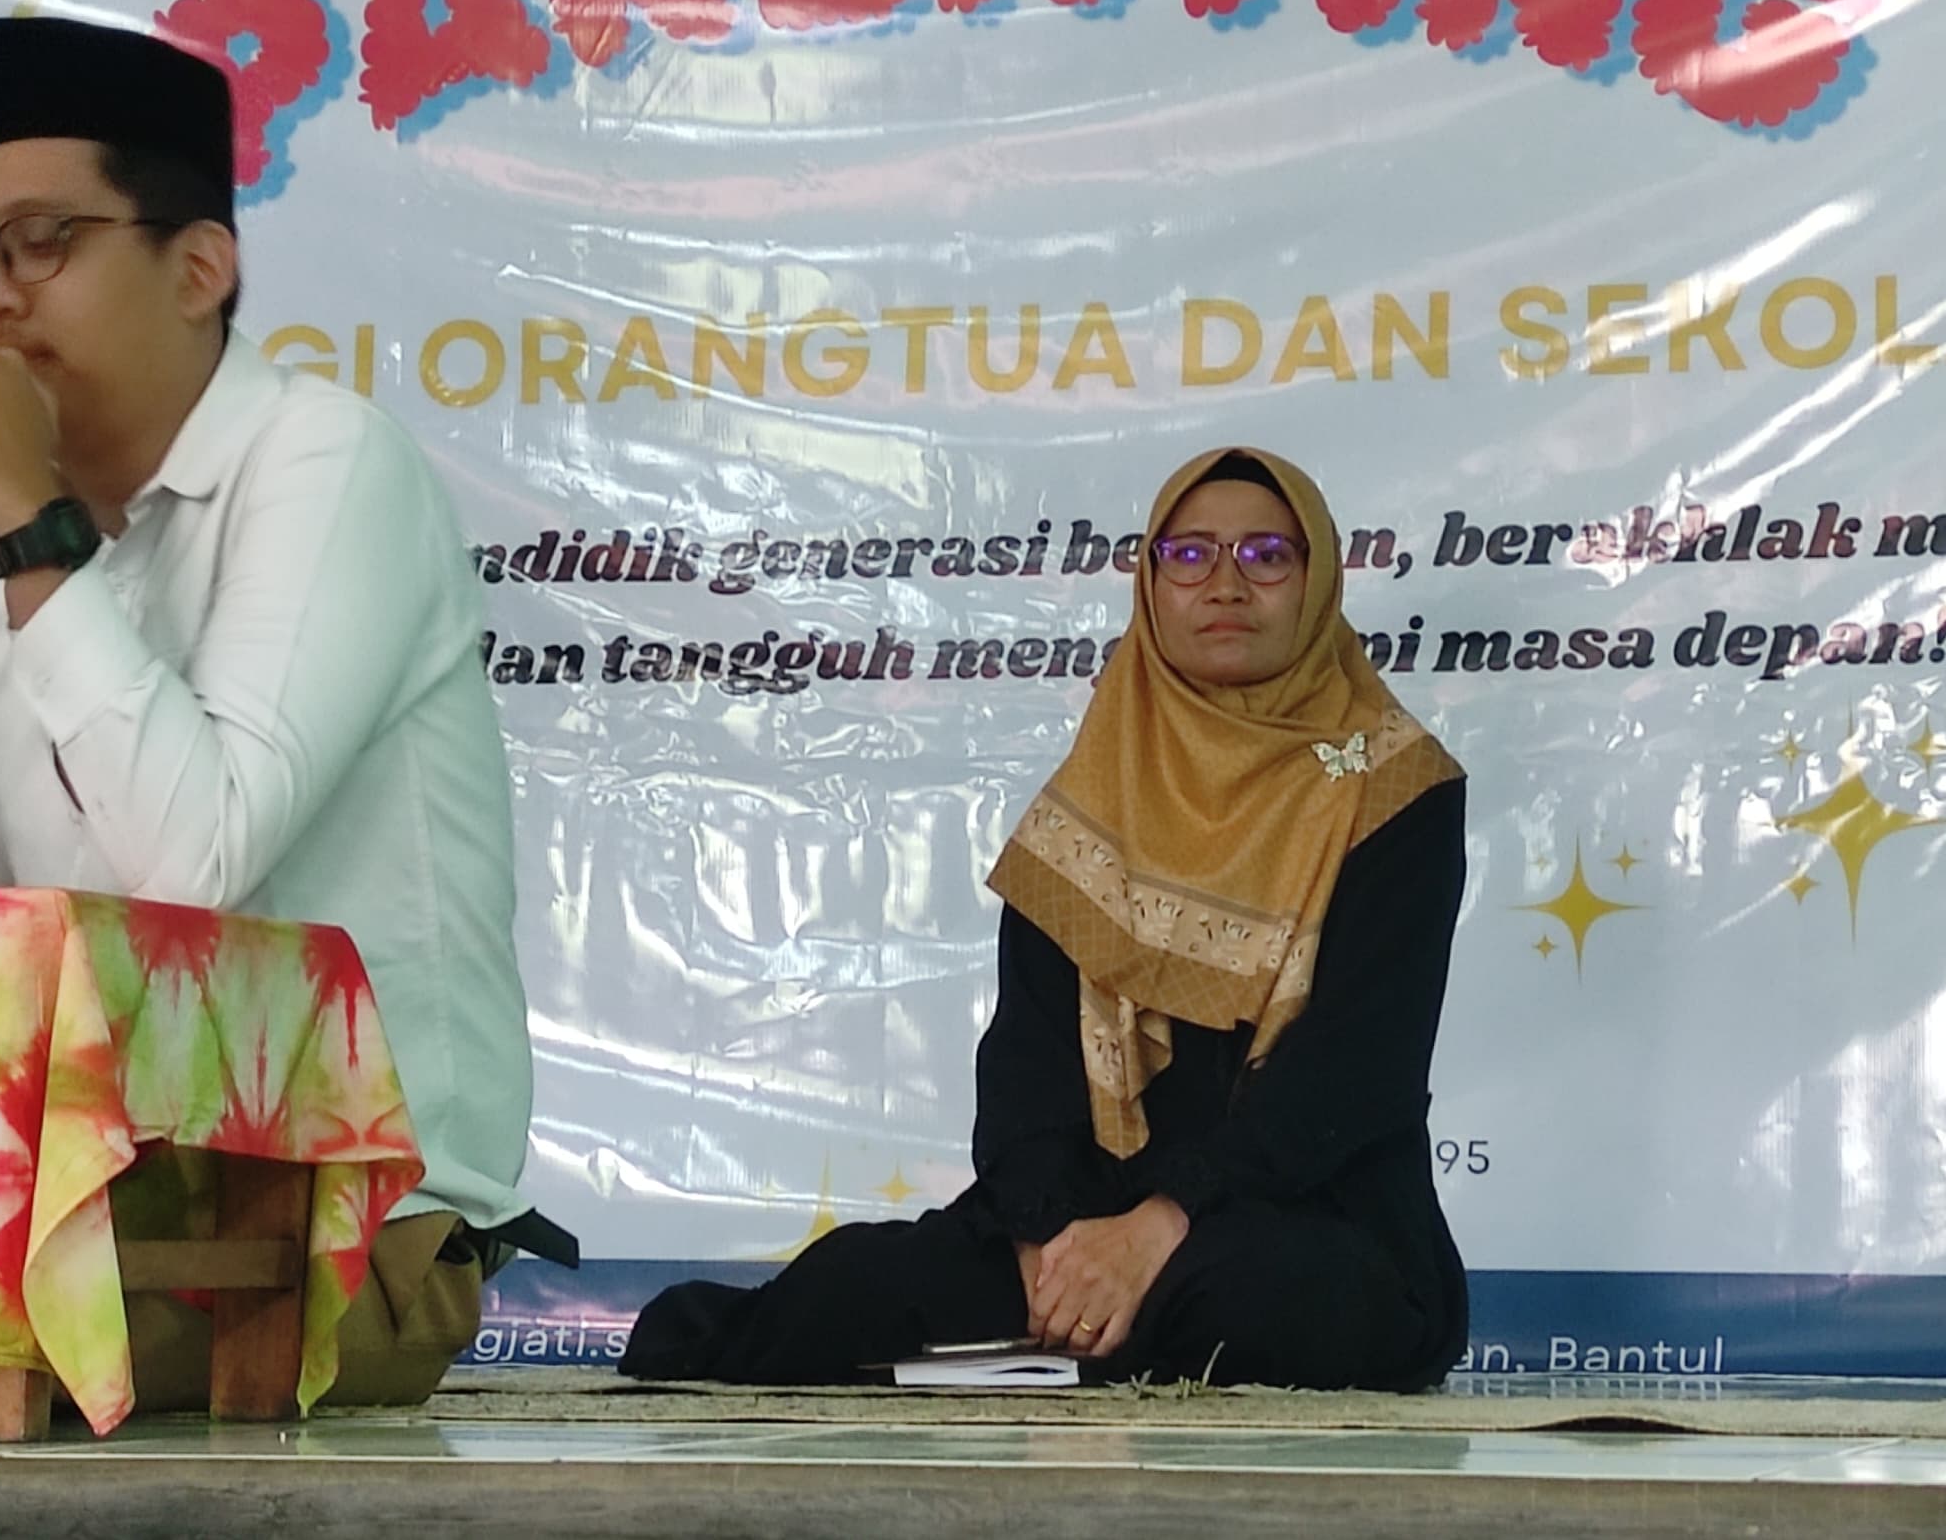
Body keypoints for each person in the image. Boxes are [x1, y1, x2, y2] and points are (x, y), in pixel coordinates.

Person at [0, 14, 542, 1408]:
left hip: (336, 1226)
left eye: (41, 241)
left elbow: (194, 866)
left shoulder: (328, 462)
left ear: (198, 268)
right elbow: (15, 911)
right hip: (82, 1186)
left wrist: (26, 523)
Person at [621, 447, 1470, 1391]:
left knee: (1266, 1301)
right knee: (850, 1292)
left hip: (1303, 1218)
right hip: (1082, 1221)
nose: (1226, 584)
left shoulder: (1397, 793)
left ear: (1316, 582)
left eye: (1267, 555)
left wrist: (1159, 1229)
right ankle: (1071, 1327)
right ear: (1150, 584)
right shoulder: (1094, 795)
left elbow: (1354, 1073)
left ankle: (1059, 1343)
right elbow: (1027, 1063)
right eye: (1190, 555)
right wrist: (1053, 1244)